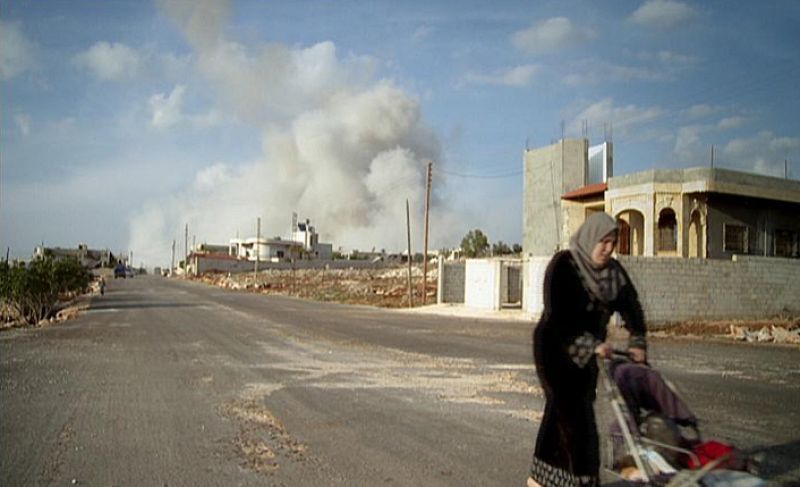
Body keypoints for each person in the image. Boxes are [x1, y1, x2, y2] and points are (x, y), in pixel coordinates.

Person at [528, 212, 647, 487]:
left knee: (563, 413)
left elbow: (632, 307)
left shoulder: (613, 274)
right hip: (555, 350)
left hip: (591, 356)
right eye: (603, 242)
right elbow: (558, 316)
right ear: (591, 238)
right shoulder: (564, 265)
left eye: (613, 243)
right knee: (574, 416)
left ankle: (541, 479)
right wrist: (593, 345)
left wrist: (637, 341)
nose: (608, 248)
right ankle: (584, 479)